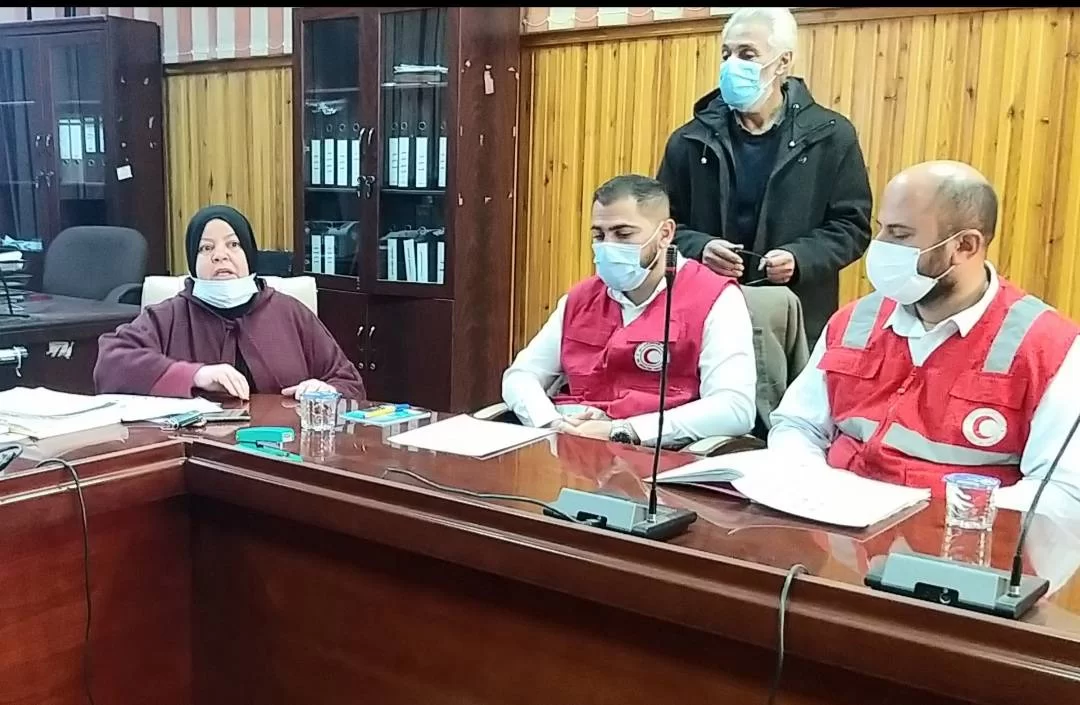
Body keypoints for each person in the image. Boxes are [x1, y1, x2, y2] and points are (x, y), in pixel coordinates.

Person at [769, 160, 1080, 514]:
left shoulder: (1049, 348)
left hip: (954, 537)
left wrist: (929, 515)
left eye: (900, 235)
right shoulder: (854, 322)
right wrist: (808, 479)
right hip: (830, 525)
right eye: (881, 229)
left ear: (965, 245)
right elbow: (797, 424)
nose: (879, 246)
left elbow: (1061, 494)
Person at [656, 7, 872, 346]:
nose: (731, 65)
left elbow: (852, 227)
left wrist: (800, 258)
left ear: (783, 62)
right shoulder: (690, 139)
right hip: (703, 316)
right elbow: (661, 226)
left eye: (747, 54)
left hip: (793, 321)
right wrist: (701, 248)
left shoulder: (831, 136)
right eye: (726, 54)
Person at [501, 174, 757, 448]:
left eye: (623, 234)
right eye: (599, 235)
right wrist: (550, 422)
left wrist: (624, 430)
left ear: (665, 234)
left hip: (656, 453)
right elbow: (521, 375)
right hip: (570, 443)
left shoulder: (715, 297)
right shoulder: (581, 297)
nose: (608, 246)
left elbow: (735, 408)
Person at [94, 204, 366, 401]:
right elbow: (110, 364)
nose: (220, 256)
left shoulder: (291, 312)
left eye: (233, 245)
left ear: (249, 254)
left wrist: (325, 391)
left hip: (287, 450)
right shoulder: (168, 316)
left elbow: (349, 382)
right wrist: (196, 375)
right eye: (206, 248)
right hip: (197, 451)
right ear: (192, 262)